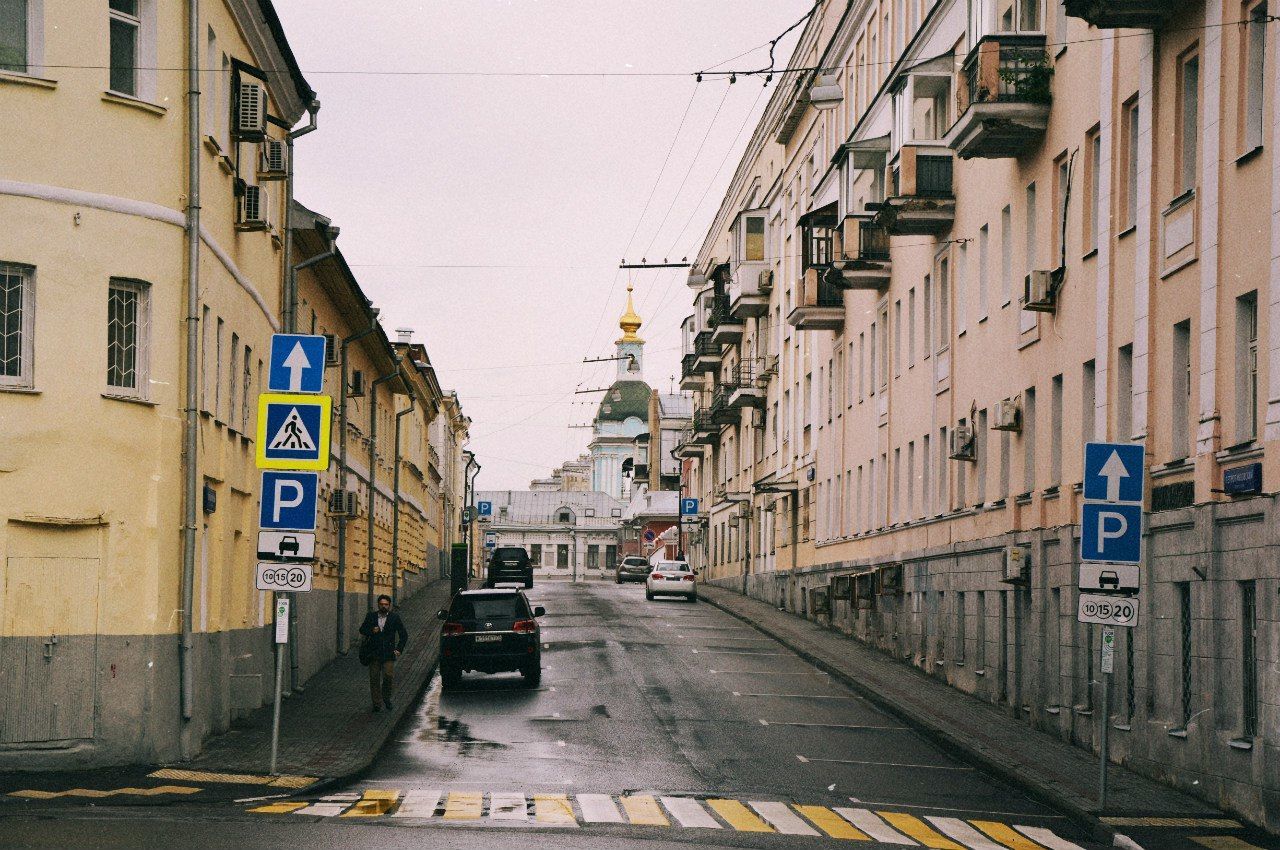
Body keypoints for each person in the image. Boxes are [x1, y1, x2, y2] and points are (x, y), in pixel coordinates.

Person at [359, 594, 408, 712]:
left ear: (389, 605)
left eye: (386, 604)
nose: (384, 606)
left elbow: (403, 635)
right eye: (381, 604)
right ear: (378, 605)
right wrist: (371, 630)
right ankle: (377, 703)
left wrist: (398, 649)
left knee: (388, 676)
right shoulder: (371, 616)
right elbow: (362, 630)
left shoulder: (394, 618)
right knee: (374, 679)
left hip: (388, 654)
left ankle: (386, 698)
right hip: (374, 654)